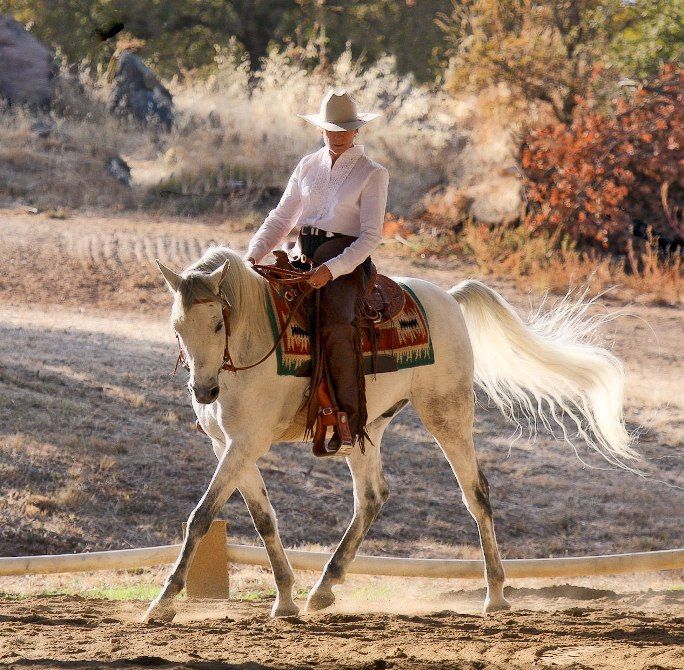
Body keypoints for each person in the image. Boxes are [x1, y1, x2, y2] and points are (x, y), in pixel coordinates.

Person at [243, 88, 389, 451]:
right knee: (256, 306)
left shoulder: (373, 174)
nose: (337, 136)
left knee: (337, 325)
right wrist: (253, 254)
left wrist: (333, 270)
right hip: (301, 255)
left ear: (357, 131)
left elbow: (371, 236)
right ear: (321, 130)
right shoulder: (307, 165)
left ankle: (346, 420)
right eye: (330, 129)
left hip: (346, 259)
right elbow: (281, 217)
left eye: (344, 129)